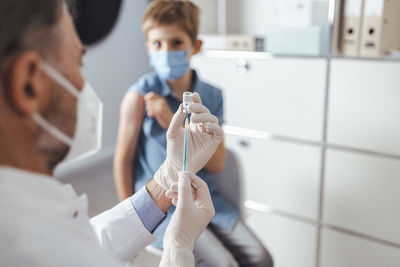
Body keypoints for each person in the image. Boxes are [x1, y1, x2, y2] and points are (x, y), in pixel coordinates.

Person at [0, 1, 223, 266]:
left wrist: (169, 175)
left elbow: (92, 243)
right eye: (78, 62)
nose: (84, 84)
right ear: (28, 83)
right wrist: (178, 246)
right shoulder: (29, 247)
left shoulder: (30, 208)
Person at [114, 1, 273, 266]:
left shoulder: (211, 96)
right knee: (220, 263)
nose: (166, 51)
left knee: (260, 257)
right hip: (162, 208)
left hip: (208, 199)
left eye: (176, 42)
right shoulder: (138, 97)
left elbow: (217, 162)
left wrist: (169, 120)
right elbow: (123, 162)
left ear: (195, 46)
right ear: (148, 48)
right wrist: (129, 226)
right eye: (157, 44)